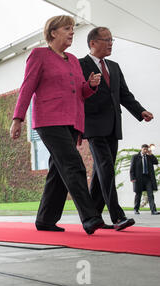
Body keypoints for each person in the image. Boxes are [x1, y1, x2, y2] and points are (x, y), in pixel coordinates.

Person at [10, 15, 104, 234]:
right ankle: (90, 217)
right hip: (49, 120)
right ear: (53, 32)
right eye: (67, 28)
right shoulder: (39, 55)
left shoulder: (72, 59)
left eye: (73, 29)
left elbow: (80, 93)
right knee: (73, 165)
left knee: (58, 171)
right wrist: (18, 118)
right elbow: (27, 87)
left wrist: (90, 86)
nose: (72, 32)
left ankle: (45, 219)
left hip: (71, 121)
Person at [79, 27, 154, 230]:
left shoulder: (114, 66)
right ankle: (117, 216)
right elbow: (76, 97)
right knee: (106, 168)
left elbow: (124, 95)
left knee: (100, 172)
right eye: (106, 39)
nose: (111, 43)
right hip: (93, 126)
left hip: (113, 127)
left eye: (112, 40)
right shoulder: (80, 65)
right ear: (93, 43)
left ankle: (93, 219)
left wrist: (140, 112)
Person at [131, 144, 158, 215]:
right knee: (138, 194)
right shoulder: (135, 157)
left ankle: (153, 210)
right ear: (141, 149)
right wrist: (132, 178)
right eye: (144, 149)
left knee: (150, 194)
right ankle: (136, 209)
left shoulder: (149, 157)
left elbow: (156, 162)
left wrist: (151, 154)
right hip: (138, 178)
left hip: (148, 178)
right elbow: (132, 169)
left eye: (146, 149)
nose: (145, 151)